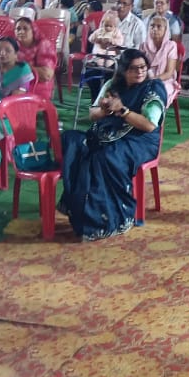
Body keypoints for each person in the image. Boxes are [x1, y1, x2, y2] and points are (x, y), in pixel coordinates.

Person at [58, 49, 164, 242]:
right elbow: (93, 114)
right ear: (123, 70)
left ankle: (113, 218)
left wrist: (122, 110)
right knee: (71, 141)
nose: (140, 72)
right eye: (133, 68)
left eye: (143, 67)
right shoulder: (112, 85)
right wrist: (105, 110)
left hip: (139, 140)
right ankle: (78, 206)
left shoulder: (153, 88)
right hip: (106, 133)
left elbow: (149, 125)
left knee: (105, 157)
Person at [13, 16, 58, 99]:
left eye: (25, 29)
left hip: (37, 84)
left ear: (33, 30)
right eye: (18, 29)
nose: (21, 32)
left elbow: (46, 75)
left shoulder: (44, 45)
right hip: (16, 81)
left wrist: (24, 66)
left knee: (13, 92)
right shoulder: (13, 45)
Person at [142, 14, 180, 107]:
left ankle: (155, 117)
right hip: (145, 78)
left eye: (159, 27)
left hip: (165, 80)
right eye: (152, 26)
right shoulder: (143, 45)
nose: (154, 29)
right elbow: (141, 66)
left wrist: (153, 80)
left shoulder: (171, 45)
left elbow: (169, 73)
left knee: (158, 91)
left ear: (165, 30)